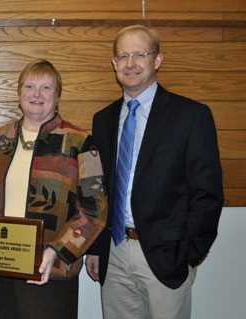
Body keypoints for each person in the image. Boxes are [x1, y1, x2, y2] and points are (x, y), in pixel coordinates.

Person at [86, 25, 224, 319]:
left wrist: (189, 254)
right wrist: (96, 248)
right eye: (122, 56)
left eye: (140, 54)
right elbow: (98, 192)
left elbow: (207, 193)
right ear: (113, 64)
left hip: (166, 255)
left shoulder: (191, 116)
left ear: (158, 60)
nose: (130, 63)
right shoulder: (103, 120)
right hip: (115, 251)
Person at [0, 59, 107, 319]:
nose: (36, 95)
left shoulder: (81, 143)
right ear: (19, 94)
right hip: (1, 265)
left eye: (46, 87)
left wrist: (57, 251)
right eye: (29, 86)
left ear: (58, 94)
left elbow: (95, 210)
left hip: (51, 269)